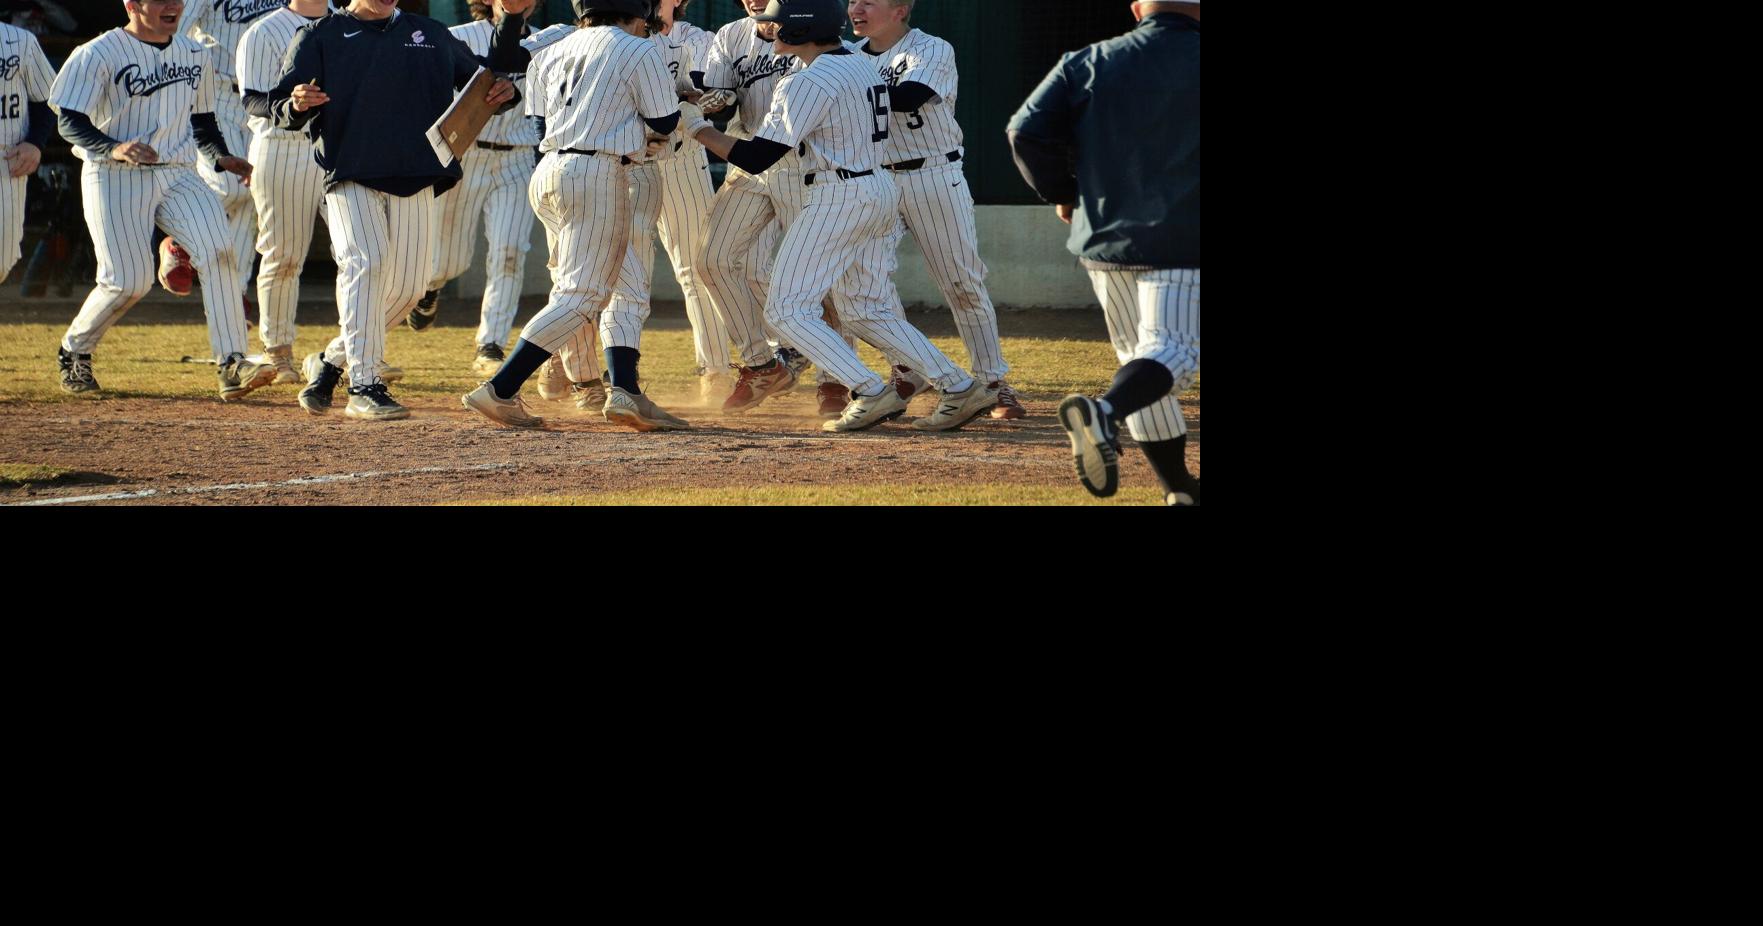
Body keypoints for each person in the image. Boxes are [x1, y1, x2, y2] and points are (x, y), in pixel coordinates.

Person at [682, 0, 996, 433]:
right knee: (865, 309)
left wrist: (697, 126)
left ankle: (869, 390)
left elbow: (756, 158)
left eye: (778, 24)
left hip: (838, 195)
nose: (770, 31)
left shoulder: (805, 81)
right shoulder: (858, 63)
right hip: (875, 188)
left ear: (800, 30)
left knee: (788, 310)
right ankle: (959, 386)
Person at [268, 0, 529, 421]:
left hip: (417, 174)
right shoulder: (319, 35)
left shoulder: (431, 34)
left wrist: (505, 91)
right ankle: (364, 385)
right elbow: (279, 105)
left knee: (409, 289)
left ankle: (331, 361)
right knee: (365, 264)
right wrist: (295, 104)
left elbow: (484, 83)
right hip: (349, 172)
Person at [461, 0, 692, 432]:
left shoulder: (556, 44)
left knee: (624, 283)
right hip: (596, 173)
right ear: (636, 13)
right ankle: (501, 388)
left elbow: (537, 114)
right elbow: (664, 120)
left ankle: (625, 390)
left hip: (549, 170)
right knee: (581, 295)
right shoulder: (637, 47)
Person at [1007, 0, 1200, 505]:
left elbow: (1024, 131)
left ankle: (1179, 490)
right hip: (1183, 239)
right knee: (1173, 351)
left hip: (1104, 242)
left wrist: (1064, 192)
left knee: (1143, 364)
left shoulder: (1088, 60)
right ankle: (1104, 413)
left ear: (1137, 9)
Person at [49, 0, 273, 400]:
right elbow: (69, 120)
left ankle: (231, 362)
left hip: (179, 171)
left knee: (219, 251)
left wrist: (220, 156)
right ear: (132, 5)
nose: (173, 6)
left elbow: (202, 120)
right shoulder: (98, 52)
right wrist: (114, 147)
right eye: (160, 0)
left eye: (177, 0)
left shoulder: (194, 53)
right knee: (128, 282)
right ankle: (75, 349)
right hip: (114, 173)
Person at [847, 0, 1023, 420]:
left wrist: (841, 89)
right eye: (852, 0)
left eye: (868, 1)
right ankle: (907, 369)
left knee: (961, 282)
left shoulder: (930, 48)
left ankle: (993, 382)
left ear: (900, 9)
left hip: (933, 174)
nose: (856, 8)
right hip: (876, 179)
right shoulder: (848, 55)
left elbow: (912, 95)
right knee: (865, 285)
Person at [407, 0, 539, 380]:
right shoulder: (459, 37)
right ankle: (430, 289)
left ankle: (490, 344)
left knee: (510, 252)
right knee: (449, 262)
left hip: (517, 158)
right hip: (466, 153)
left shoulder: (545, 41)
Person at [236, 0, 333, 385]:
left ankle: (355, 351)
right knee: (284, 256)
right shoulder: (263, 31)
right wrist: (291, 103)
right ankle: (278, 352)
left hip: (340, 145)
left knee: (361, 252)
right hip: (283, 147)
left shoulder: (350, 23)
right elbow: (252, 99)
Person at [173, 0, 286, 324]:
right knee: (232, 187)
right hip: (217, 94)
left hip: (270, 100)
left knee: (254, 195)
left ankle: (232, 299)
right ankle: (181, 238)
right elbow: (173, 32)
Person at [1, 16, 54, 284]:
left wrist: (35, 142)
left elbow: (48, 97)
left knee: (3, 257)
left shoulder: (19, 40)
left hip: (7, 158)